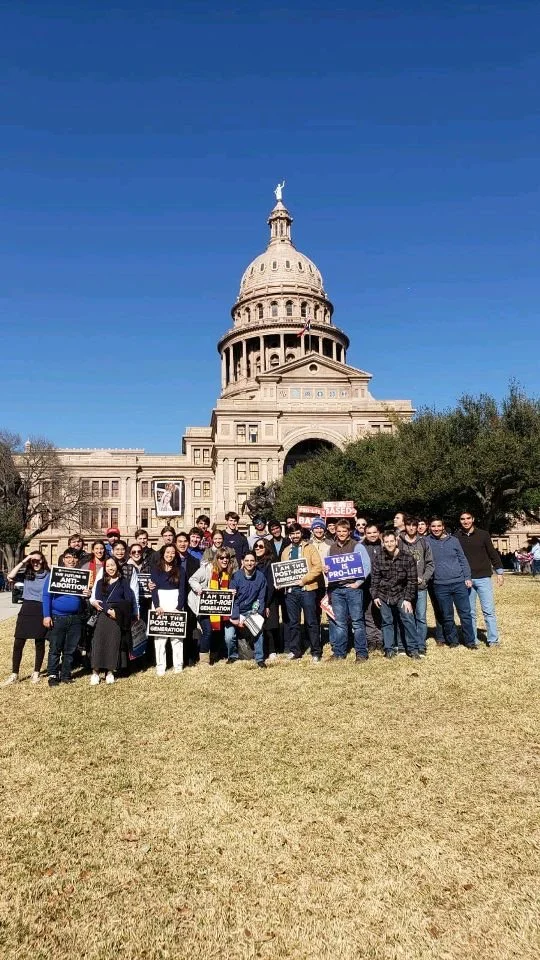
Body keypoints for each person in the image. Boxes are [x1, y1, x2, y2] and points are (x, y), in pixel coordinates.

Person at [43, 548, 91, 686]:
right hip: (58, 617)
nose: (71, 560)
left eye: (74, 557)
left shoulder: (81, 576)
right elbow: (46, 596)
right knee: (55, 648)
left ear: (77, 560)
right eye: (68, 557)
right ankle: (53, 675)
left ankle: (66, 674)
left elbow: (83, 596)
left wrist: (87, 594)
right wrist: (47, 615)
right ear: (63, 559)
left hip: (75, 618)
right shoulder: (55, 574)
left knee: (70, 649)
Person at [456, 512, 504, 646]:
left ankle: (493, 640)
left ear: (473, 519)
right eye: (462, 519)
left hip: (483, 578)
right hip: (467, 580)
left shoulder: (483, 534)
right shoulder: (456, 537)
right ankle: (473, 639)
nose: (465, 521)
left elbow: (492, 553)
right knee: (470, 612)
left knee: (489, 611)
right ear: (460, 521)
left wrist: (499, 571)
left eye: (468, 518)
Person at [325, 520, 371, 662]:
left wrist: (358, 584)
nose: (341, 534)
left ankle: (361, 653)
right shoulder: (331, 548)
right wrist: (326, 570)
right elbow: (328, 569)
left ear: (349, 531)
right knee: (340, 623)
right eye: (339, 531)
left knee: (357, 622)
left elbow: (366, 566)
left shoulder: (357, 546)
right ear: (336, 532)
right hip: (337, 590)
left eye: (344, 531)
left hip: (353, 590)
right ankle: (339, 652)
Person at [427, 518, 476, 649]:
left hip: (458, 582)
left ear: (443, 527)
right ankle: (453, 641)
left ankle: (470, 641)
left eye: (438, 526)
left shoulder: (454, 541)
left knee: (465, 614)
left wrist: (467, 577)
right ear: (429, 527)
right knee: (447, 616)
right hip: (440, 585)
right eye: (433, 526)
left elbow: (462, 559)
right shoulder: (426, 542)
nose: (436, 529)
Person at [2, 552, 50, 686]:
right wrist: (26, 560)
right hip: (27, 608)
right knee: (18, 642)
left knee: (39, 642)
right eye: (33, 561)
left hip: (41, 608)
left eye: (38, 560)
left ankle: (36, 672)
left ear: (43, 561)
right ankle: (14, 674)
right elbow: (10, 576)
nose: (35, 563)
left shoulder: (48, 574)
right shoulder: (27, 574)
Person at [370, 530, 420, 659]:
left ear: (396, 541)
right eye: (386, 542)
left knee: (408, 619)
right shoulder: (378, 558)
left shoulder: (408, 557)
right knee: (387, 622)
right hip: (383, 594)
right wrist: (375, 595)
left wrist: (408, 599)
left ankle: (413, 649)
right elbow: (375, 579)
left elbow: (412, 580)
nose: (389, 544)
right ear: (383, 543)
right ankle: (389, 649)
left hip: (402, 594)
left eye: (392, 541)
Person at [281, 524, 323, 662]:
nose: (295, 536)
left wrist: (304, 580)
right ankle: (295, 650)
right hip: (291, 592)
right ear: (289, 535)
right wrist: (280, 582)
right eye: (292, 534)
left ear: (301, 533)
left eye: (297, 533)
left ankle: (316, 651)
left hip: (307, 590)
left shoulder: (309, 548)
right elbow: (282, 571)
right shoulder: (286, 551)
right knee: (294, 623)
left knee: (311, 622)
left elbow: (318, 567)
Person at [90, 556, 135, 685]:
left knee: (113, 643)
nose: (111, 568)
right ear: (105, 567)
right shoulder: (100, 582)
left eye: (113, 565)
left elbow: (128, 600)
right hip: (104, 615)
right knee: (99, 642)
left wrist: (117, 612)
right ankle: (95, 672)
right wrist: (108, 610)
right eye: (108, 565)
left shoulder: (123, 582)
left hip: (118, 616)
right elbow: (98, 600)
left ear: (117, 566)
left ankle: (110, 671)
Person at [188, 548, 237, 665]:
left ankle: (214, 656)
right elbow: (192, 579)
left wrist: (231, 593)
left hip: (216, 607)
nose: (224, 560)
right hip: (201, 605)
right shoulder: (207, 569)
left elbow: (224, 590)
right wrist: (200, 589)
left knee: (217, 631)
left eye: (227, 558)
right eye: (221, 558)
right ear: (217, 558)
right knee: (208, 631)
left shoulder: (228, 572)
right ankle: (204, 660)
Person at [399, 516, 435, 656]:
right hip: (403, 588)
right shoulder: (399, 542)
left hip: (420, 588)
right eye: (409, 525)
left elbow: (430, 563)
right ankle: (407, 644)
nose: (412, 528)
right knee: (406, 616)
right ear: (405, 526)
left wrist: (424, 579)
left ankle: (421, 646)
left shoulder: (424, 542)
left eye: (414, 525)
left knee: (420, 616)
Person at [150, 545, 186, 676]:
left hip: (175, 602)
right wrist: (157, 605)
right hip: (159, 603)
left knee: (176, 638)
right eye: (167, 552)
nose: (169, 555)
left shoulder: (180, 570)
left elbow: (182, 591)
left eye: (172, 553)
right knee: (159, 638)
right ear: (163, 553)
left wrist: (179, 608)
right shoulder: (155, 570)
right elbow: (153, 589)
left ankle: (178, 665)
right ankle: (161, 666)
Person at [228, 553, 268, 667]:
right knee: (229, 636)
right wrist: (236, 617)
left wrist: (257, 614)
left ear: (255, 562)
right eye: (247, 560)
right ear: (242, 562)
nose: (249, 563)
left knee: (258, 631)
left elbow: (261, 598)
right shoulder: (236, 577)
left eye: (252, 560)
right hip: (237, 610)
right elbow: (233, 600)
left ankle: (260, 658)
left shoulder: (260, 577)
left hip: (252, 610)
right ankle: (232, 656)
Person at [253, 539, 280, 659]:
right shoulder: (253, 562)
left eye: (260, 546)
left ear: (266, 548)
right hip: (256, 599)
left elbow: (271, 584)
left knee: (269, 626)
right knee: (257, 625)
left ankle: (272, 650)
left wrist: (266, 604)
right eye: (256, 546)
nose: (257, 548)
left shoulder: (270, 562)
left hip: (269, 598)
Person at [362, 522, 383, 651]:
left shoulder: (384, 545)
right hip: (366, 586)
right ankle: (371, 640)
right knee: (368, 614)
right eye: (369, 533)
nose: (372, 535)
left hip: (382, 586)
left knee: (381, 613)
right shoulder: (360, 547)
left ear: (379, 533)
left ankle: (381, 640)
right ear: (365, 534)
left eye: (374, 532)